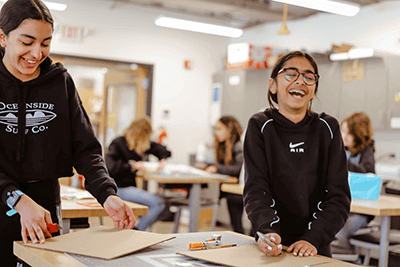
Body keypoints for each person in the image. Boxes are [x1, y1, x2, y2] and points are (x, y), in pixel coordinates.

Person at [0, 0, 135, 265]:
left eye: (45, 42)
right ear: (2, 37)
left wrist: (107, 194)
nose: (37, 53)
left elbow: (85, 149)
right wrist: (16, 199)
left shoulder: (59, 81)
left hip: (44, 202)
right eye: (27, 42)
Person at [243, 50, 351, 258]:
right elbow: (256, 188)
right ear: (273, 84)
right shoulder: (260, 125)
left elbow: (338, 196)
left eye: (309, 77)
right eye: (291, 74)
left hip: (314, 248)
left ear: (314, 89)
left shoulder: (327, 128)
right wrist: (267, 230)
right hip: (270, 244)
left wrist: (313, 238)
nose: (300, 81)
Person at [105, 117, 171, 231]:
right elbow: (110, 167)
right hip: (118, 188)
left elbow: (162, 150)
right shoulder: (118, 143)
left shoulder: (139, 145)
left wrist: (163, 160)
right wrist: (132, 166)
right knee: (158, 203)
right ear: (142, 135)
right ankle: (136, 230)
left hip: (129, 188)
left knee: (164, 206)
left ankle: (136, 229)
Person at [333, 112, 375, 253]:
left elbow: (367, 173)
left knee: (340, 231)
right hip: (342, 207)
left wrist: (342, 162)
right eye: (342, 131)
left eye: (347, 132)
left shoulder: (367, 152)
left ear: (357, 135)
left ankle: (352, 261)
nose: (343, 135)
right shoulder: (341, 149)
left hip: (359, 212)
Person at [200, 116, 245, 234]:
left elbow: (238, 169)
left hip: (237, 189)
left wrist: (216, 168)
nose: (216, 133)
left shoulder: (238, 146)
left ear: (229, 130)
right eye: (215, 129)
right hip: (227, 188)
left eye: (219, 129)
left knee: (236, 221)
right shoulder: (223, 146)